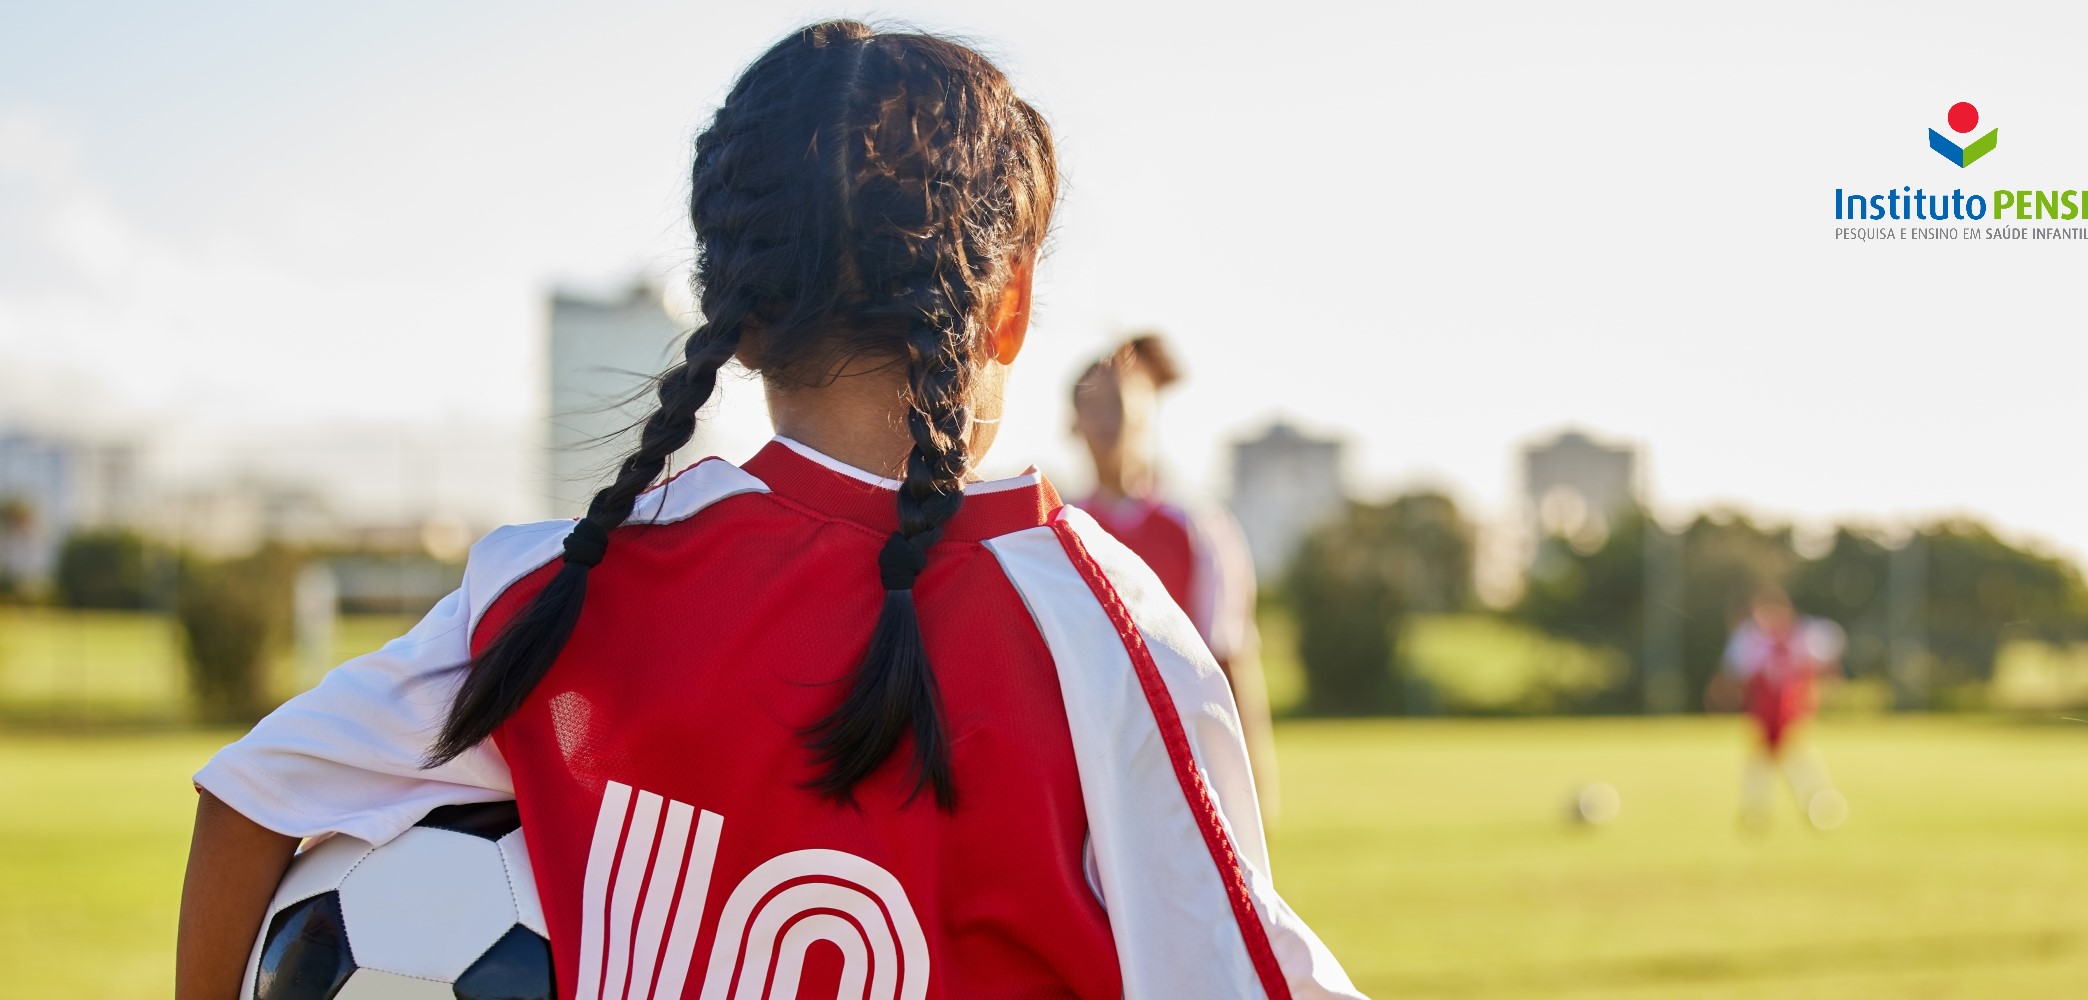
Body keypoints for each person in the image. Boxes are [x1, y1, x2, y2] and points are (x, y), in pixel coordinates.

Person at [175, 22, 1362, 1000]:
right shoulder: (1101, 631)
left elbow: (250, 796)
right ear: (1010, 305)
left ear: (731, 316)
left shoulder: (560, 588)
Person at [1070, 333, 1278, 814]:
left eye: (1119, 407)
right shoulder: (1052, 533)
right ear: (1074, 423)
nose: (1107, 424)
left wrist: (1253, 792)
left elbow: (1229, 660)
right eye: (1093, 407)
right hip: (1087, 779)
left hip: (1184, 780)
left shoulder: (1198, 530)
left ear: (1146, 416)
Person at [1707, 586, 1847, 831]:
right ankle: (1771, 808)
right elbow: (1736, 671)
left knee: (1788, 755)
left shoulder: (1803, 634)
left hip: (1790, 708)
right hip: (1764, 711)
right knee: (1768, 758)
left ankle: (1812, 803)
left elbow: (1826, 657)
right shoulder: (1750, 638)